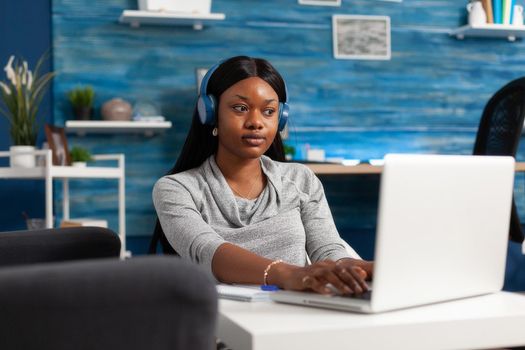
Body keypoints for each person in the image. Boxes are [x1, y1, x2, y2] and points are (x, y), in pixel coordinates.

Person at [152, 55, 373, 295]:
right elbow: (208, 251)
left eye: (269, 111)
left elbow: (331, 254)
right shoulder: (176, 188)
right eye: (240, 108)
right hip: (224, 322)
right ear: (211, 113)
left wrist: (372, 269)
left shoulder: (301, 179)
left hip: (297, 313)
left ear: (280, 119)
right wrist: (294, 274)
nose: (256, 122)